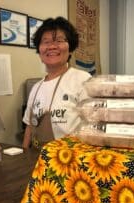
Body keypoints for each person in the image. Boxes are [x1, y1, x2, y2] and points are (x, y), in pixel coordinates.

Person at [22, 16, 91, 150]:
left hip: (71, 159)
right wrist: (24, 155)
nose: (52, 46)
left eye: (59, 40)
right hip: (38, 160)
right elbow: (29, 128)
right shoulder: (36, 87)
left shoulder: (82, 80)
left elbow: (93, 125)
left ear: (70, 48)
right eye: (45, 41)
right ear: (39, 51)